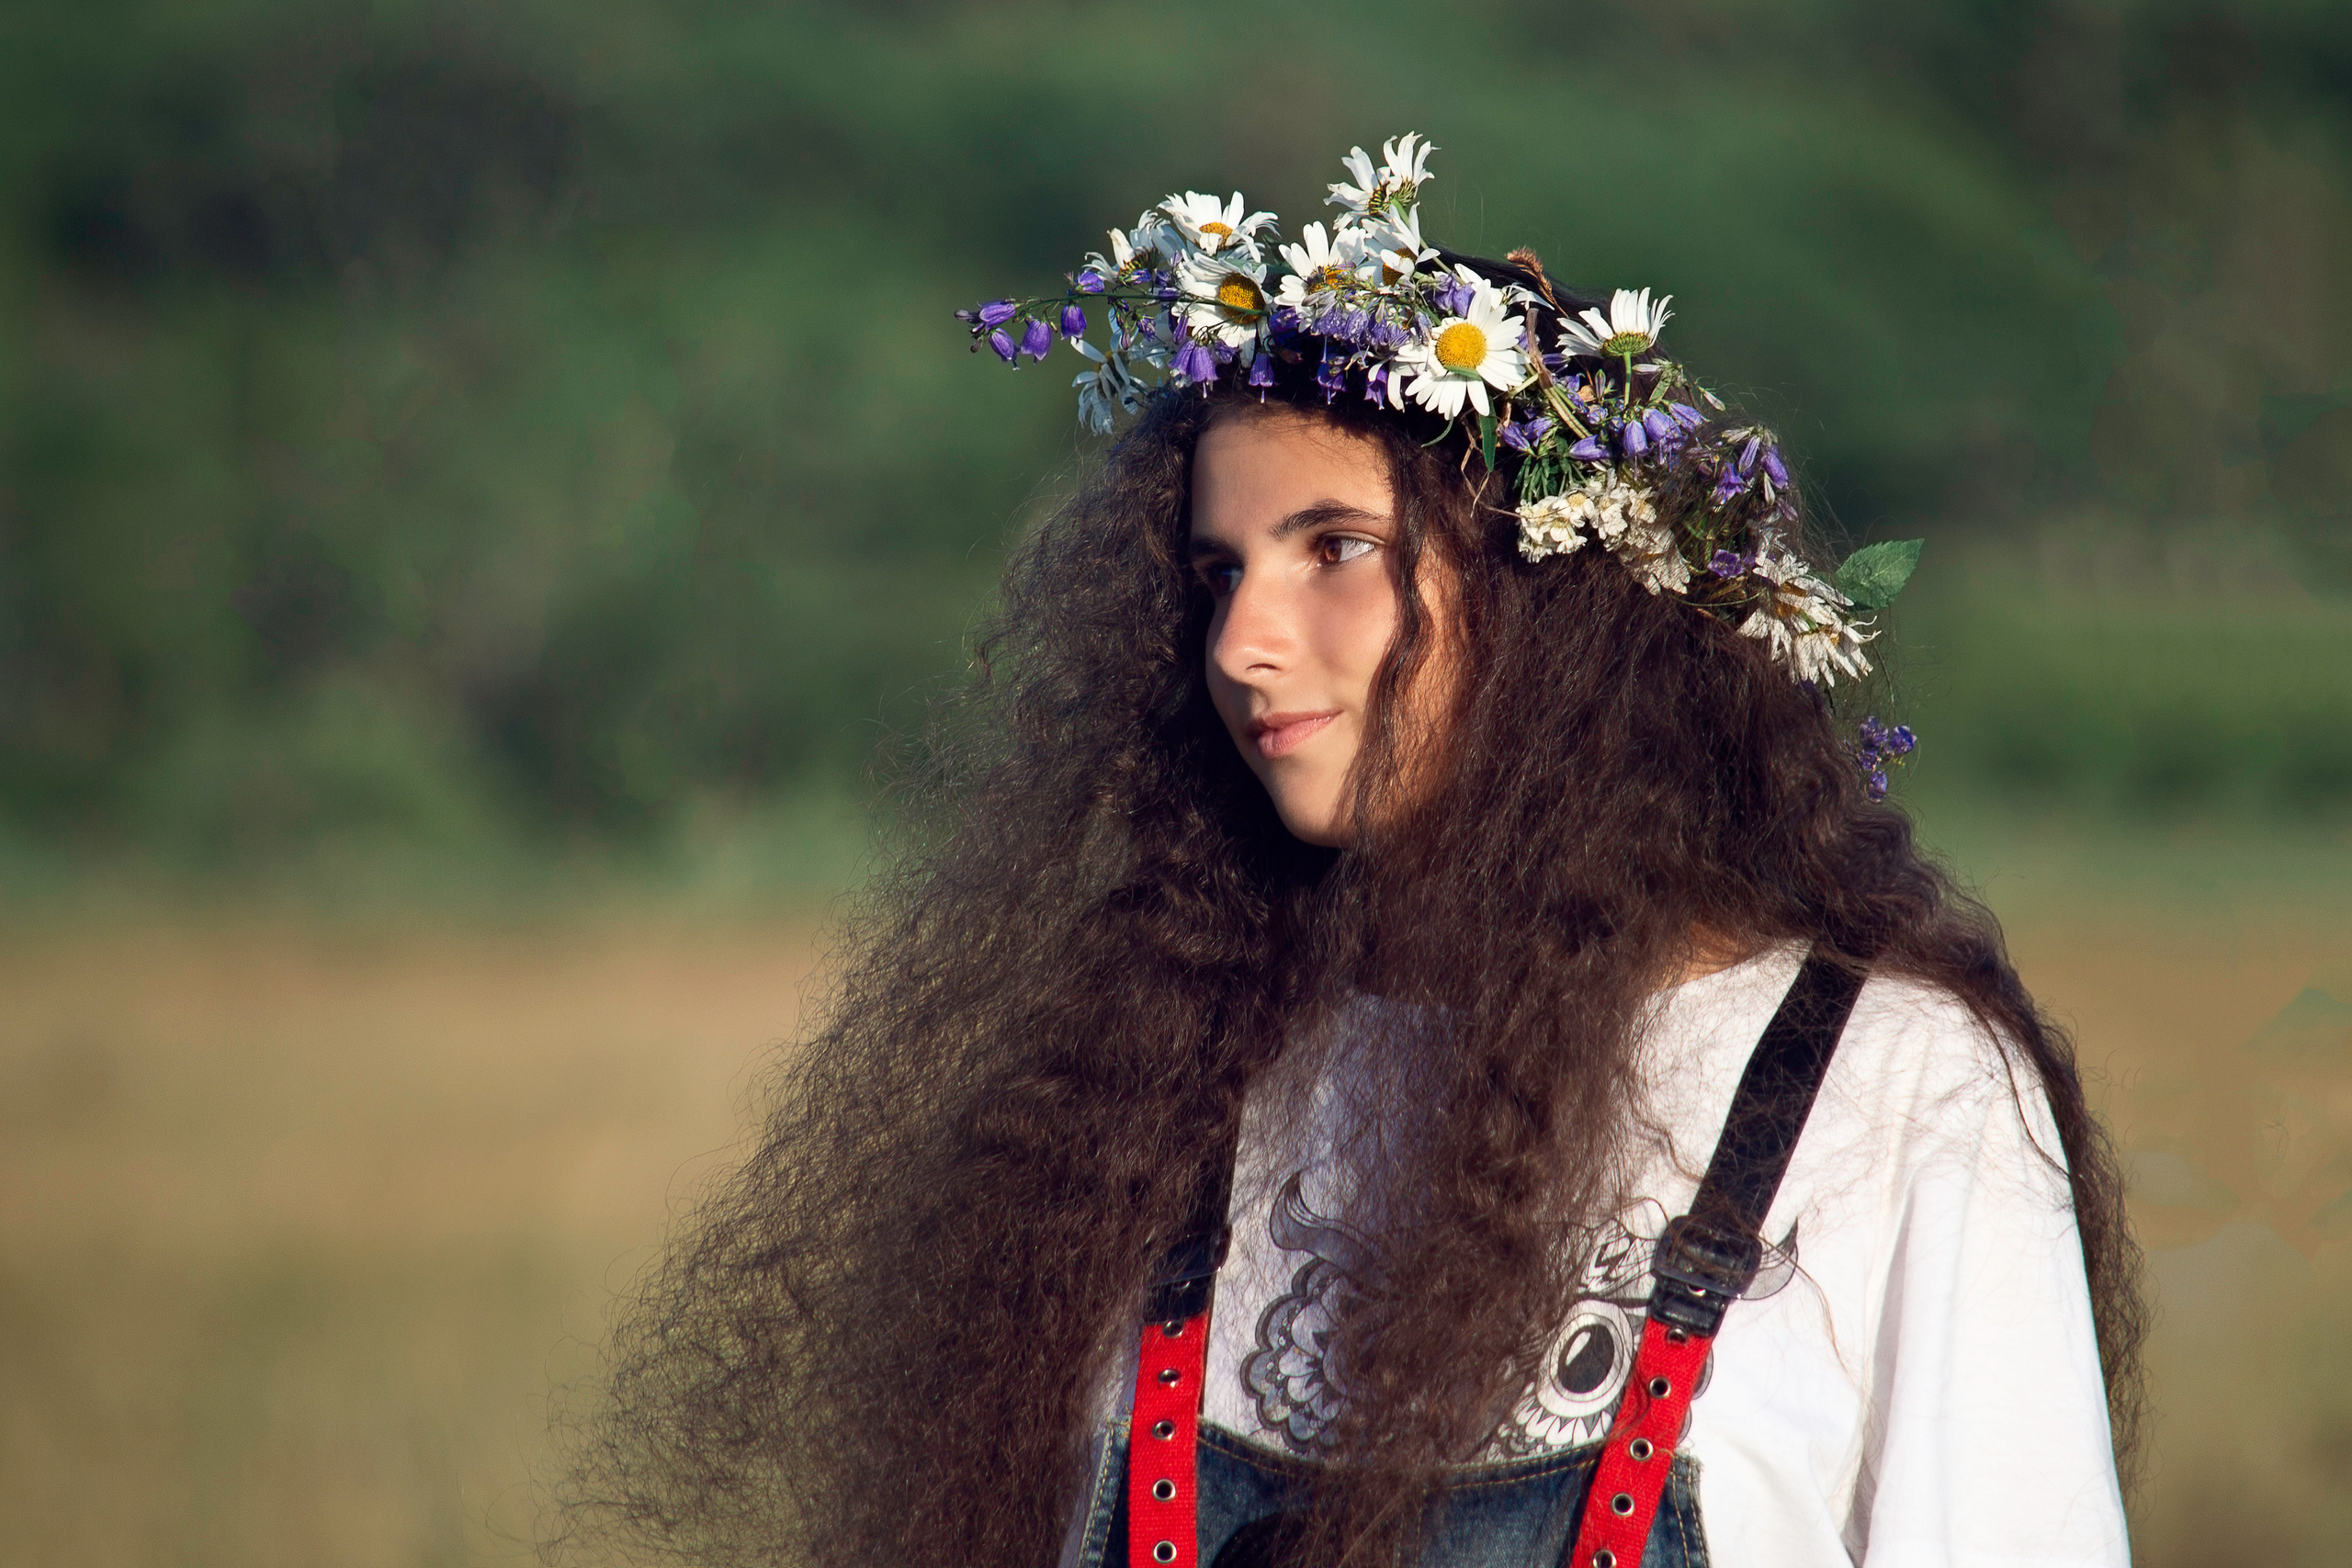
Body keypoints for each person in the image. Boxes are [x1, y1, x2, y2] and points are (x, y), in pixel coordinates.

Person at [556, 137, 2143, 1568]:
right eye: (1218, 569)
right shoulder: (1155, 1080)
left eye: (1336, 552)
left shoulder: (1894, 1095)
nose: (1244, 641)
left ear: (1557, 606)